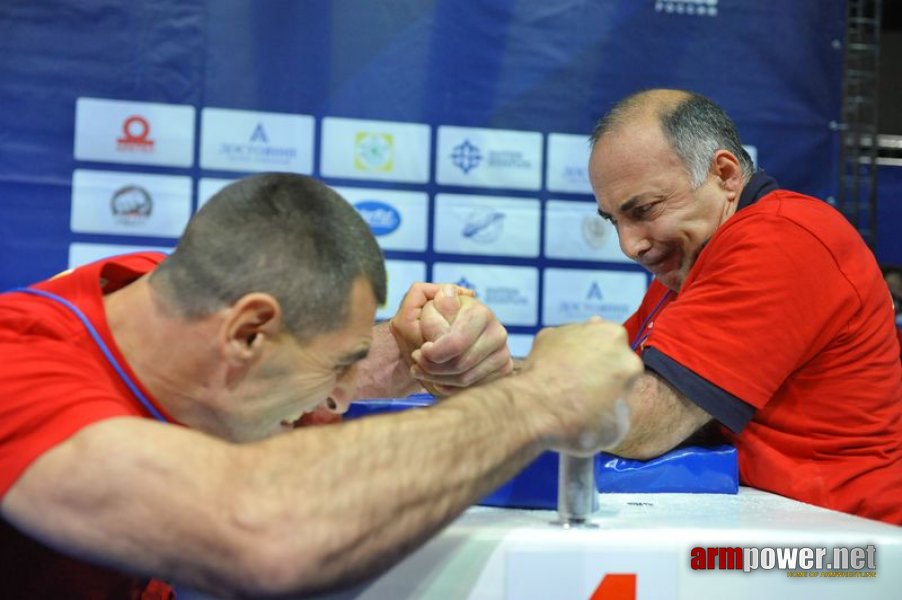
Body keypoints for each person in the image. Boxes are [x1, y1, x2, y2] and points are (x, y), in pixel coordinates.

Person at [0, 173, 642, 599]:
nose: (342, 398)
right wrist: (539, 398)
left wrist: (414, 351)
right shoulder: (16, 369)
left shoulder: (164, 301)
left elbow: (279, 364)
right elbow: (262, 528)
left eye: (349, 367)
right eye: (338, 373)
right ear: (249, 331)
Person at [584, 88, 902, 524]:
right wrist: (484, 368)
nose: (629, 245)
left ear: (726, 174)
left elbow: (644, 423)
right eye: (614, 220)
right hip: (779, 528)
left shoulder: (782, 239)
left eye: (644, 210)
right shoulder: (686, 265)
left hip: (847, 552)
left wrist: (502, 389)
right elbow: (603, 378)